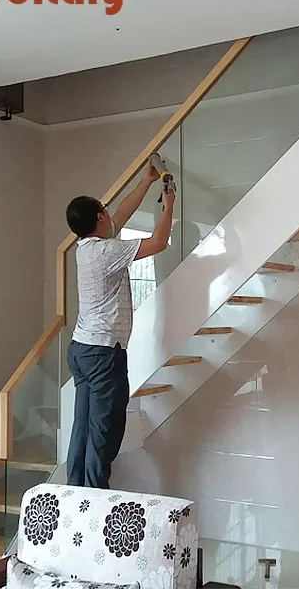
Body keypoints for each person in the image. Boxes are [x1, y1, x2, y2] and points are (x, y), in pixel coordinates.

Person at [64, 160, 175, 488]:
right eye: (105, 210)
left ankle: (76, 493)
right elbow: (158, 243)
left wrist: (146, 181)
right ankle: (95, 496)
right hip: (102, 354)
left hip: (82, 350)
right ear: (99, 217)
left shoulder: (86, 248)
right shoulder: (105, 252)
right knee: (104, 430)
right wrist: (168, 206)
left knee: (83, 429)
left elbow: (121, 216)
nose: (110, 214)